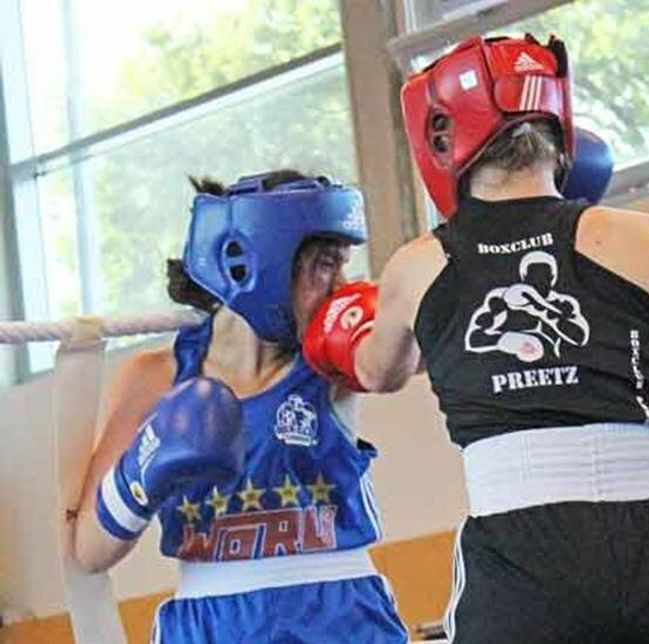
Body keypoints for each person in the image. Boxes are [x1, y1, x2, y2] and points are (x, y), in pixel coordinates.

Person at [305, 34, 649, 643]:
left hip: (520, 558)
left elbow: (377, 371)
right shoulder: (644, 239)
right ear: (557, 123)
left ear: (439, 136)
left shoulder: (417, 266)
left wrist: (341, 324)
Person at [69, 170, 408, 643]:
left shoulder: (339, 361)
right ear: (260, 263)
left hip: (340, 615)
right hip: (210, 623)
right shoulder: (154, 377)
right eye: (326, 265)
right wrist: (142, 469)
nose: (342, 286)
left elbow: (401, 359)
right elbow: (88, 550)